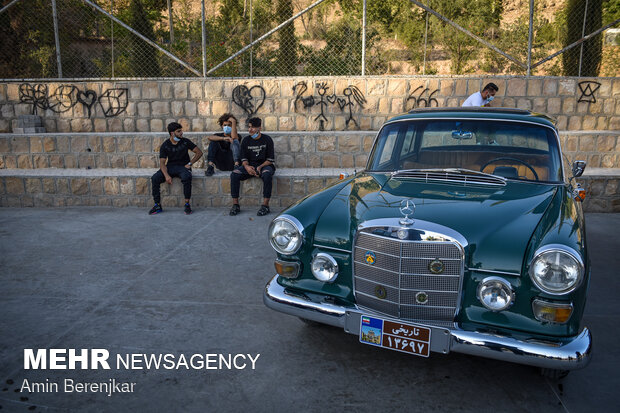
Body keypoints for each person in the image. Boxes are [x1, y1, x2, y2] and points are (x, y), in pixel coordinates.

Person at [149, 122, 203, 215]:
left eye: (181, 130)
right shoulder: (165, 145)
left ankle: (187, 204)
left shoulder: (185, 141)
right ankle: (157, 205)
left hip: (183, 167)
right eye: (179, 131)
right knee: (155, 178)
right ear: (172, 133)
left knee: (186, 177)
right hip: (170, 167)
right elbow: (162, 163)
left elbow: (199, 152)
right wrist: (166, 175)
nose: (181, 133)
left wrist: (190, 163)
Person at [229, 117, 275, 217]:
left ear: (259, 128)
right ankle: (235, 204)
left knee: (267, 175)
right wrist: (247, 167)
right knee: (234, 174)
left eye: (253, 127)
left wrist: (260, 167)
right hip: (250, 166)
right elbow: (244, 159)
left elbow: (270, 159)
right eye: (249, 127)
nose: (250, 130)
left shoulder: (267, 139)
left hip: (264, 165)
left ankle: (265, 205)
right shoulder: (246, 140)